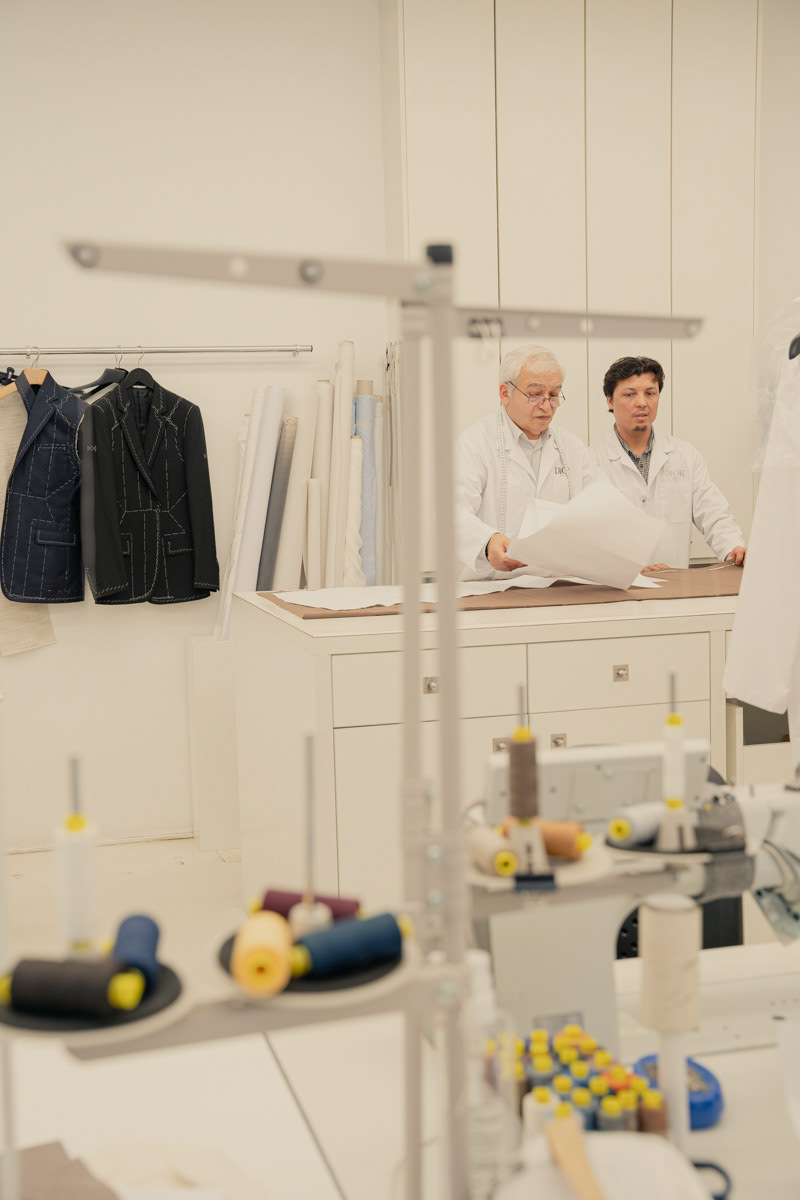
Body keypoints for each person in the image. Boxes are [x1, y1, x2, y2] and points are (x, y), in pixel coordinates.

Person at [592, 356, 746, 571]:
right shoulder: (590, 461)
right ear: (610, 400)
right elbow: (582, 536)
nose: (642, 403)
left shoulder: (685, 455)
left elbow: (714, 513)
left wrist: (733, 547)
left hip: (674, 584)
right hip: (616, 583)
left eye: (650, 393)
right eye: (630, 394)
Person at [454, 345, 595, 579]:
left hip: (557, 586)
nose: (546, 405)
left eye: (554, 395)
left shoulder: (573, 448)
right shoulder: (474, 443)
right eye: (535, 394)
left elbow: (596, 512)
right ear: (505, 393)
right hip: (490, 587)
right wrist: (488, 541)